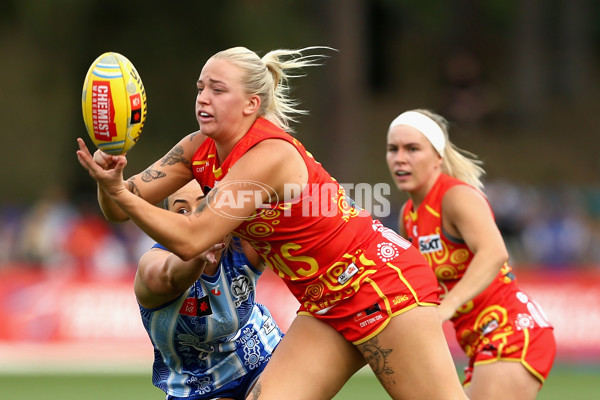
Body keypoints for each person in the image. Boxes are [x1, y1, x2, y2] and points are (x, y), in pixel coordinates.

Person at [76, 46, 468, 399]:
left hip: (379, 285)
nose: (202, 99)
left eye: (217, 89)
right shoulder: (197, 147)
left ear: (251, 104)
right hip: (324, 303)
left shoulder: (270, 155)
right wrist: (109, 174)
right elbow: (119, 208)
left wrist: (121, 193)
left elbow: (193, 238)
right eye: (200, 88)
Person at [385, 109, 556, 399]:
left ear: (438, 157)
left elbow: (494, 253)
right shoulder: (408, 216)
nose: (400, 158)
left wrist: (447, 307)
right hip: (477, 342)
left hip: (511, 330)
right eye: (393, 149)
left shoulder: (456, 197)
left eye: (412, 149)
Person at [136, 179, 284, 400]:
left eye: (205, 204)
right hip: (194, 387)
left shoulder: (245, 243)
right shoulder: (153, 267)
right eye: (182, 210)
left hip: (260, 355)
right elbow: (172, 276)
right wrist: (197, 255)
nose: (197, 218)